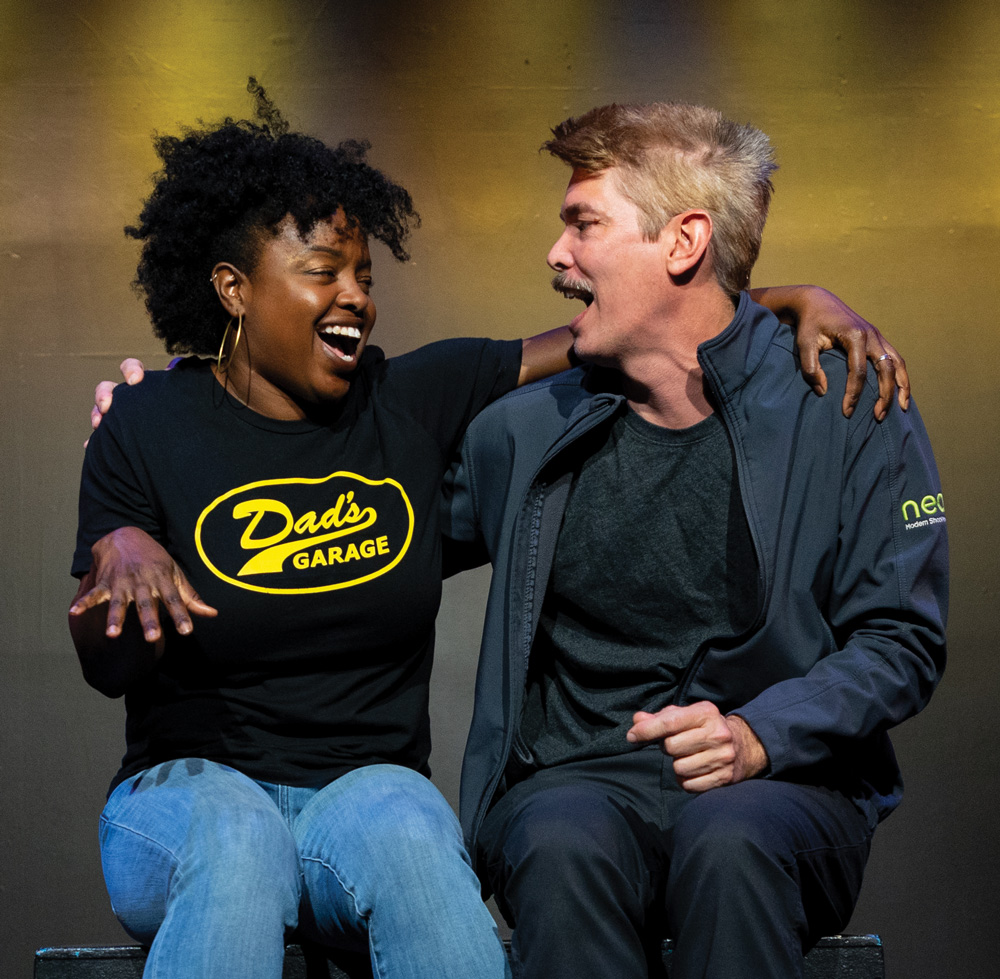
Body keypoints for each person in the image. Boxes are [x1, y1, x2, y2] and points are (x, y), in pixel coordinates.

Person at [76, 84, 909, 979]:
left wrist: (782, 300)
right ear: (233, 288)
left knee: (413, 831)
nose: (355, 295)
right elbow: (108, 655)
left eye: (364, 274)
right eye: (325, 271)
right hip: (202, 791)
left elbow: (642, 326)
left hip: (364, 793)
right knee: (245, 844)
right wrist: (121, 534)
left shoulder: (414, 400)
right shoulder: (149, 420)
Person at [441, 102, 947, 979]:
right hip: (578, 782)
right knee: (560, 839)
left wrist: (758, 732)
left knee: (731, 837)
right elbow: (352, 520)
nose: (557, 254)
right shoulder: (520, 431)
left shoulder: (848, 407)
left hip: (784, 786)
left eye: (583, 223)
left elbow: (902, 639)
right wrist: (170, 438)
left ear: (683, 243)